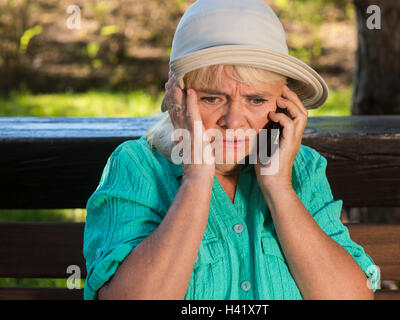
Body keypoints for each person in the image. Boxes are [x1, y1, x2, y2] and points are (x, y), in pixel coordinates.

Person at [83, 0, 379, 300]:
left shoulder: (305, 169)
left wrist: (279, 187)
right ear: (177, 101)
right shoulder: (137, 166)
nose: (234, 121)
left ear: (282, 104)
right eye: (212, 98)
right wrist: (196, 178)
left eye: (256, 100)